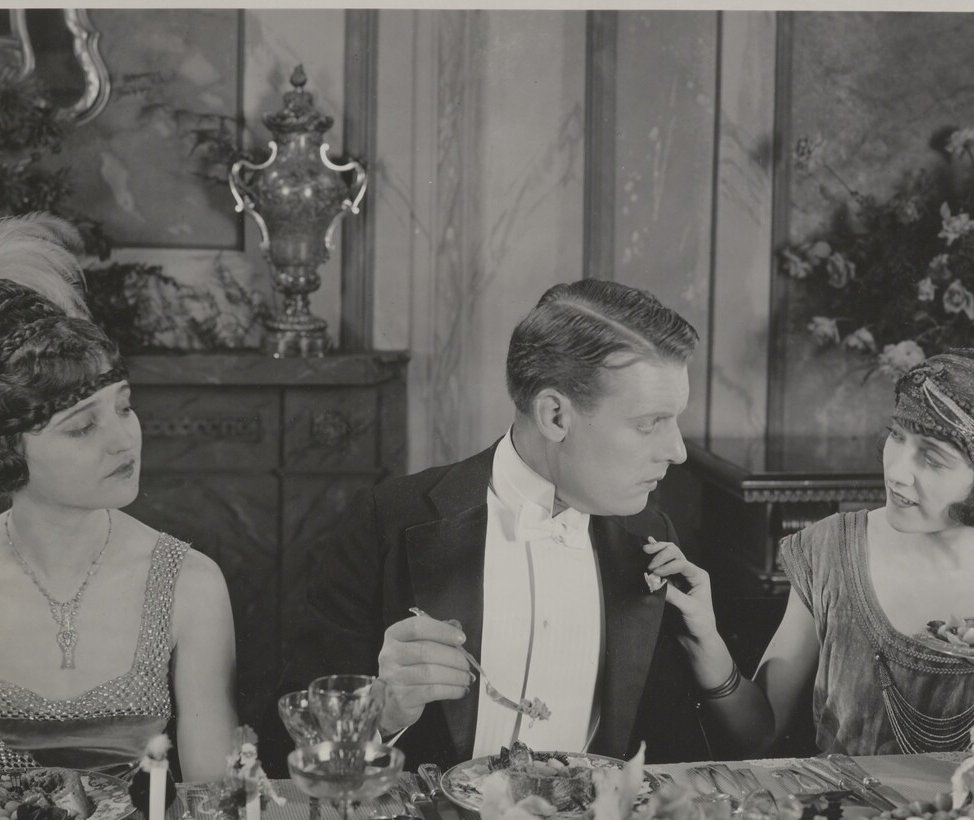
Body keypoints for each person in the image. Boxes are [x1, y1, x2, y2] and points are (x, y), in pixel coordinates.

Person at [0, 214, 238, 787]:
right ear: (5, 449)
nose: (123, 439)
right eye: (82, 427)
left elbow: (213, 803)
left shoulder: (192, 583)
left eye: (124, 406)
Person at [296, 278, 731, 768]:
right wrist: (384, 712)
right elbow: (292, 746)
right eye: (649, 423)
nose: (677, 451)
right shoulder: (387, 520)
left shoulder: (651, 539)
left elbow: (704, 751)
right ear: (555, 416)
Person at [649, 348, 974, 757]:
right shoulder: (831, 550)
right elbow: (758, 735)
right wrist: (704, 638)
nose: (897, 471)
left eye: (932, 458)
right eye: (897, 436)